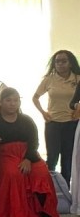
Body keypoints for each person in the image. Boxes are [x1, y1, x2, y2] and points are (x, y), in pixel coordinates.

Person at [0, 87, 59, 217]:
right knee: (13, 174)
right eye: (8, 100)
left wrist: (28, 159)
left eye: (16, 100)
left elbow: (34, 142)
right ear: (1, 102)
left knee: (41, 173)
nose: (12, 104)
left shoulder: (26, 120)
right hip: (4, 154)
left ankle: (45, 215)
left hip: (28, 154)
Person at [32, 50, 80, 187]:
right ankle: (49, 189)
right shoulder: (49, 79)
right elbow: (35, 97)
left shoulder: (77, 79)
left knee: (68, 158)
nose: (60, 64)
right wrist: (43, 112)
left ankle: (65, 189)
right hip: (53, 123)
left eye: (64, 61)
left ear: (70, 63)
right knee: (52, 157)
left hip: (71, 123)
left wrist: (78, 110)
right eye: (57, 61)